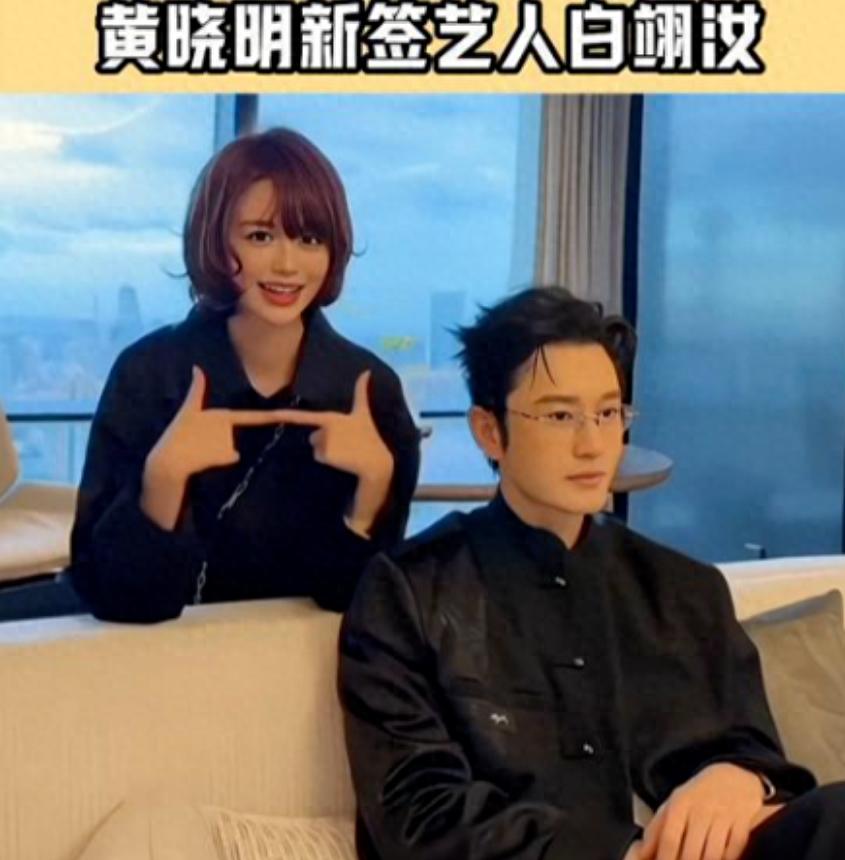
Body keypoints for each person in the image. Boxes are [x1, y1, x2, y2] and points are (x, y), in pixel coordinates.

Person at [339, 287, 844, 860]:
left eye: (607, 413)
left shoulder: (686, 587)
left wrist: (740, 777)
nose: (593, 444)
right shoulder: (409, 592)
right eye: (560, 416)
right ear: (489, 431)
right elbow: (420, 812)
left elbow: (753, 749)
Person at [66, 128, 420, 623]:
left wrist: (373, 489)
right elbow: (105, 596)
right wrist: (163, 480)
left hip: (308, 663)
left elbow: (360, 608)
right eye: (260, 236)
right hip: (160, 660)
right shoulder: (149, 374)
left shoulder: (368, 389)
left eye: (309, 239)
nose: (287, 264)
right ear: (214, 239)